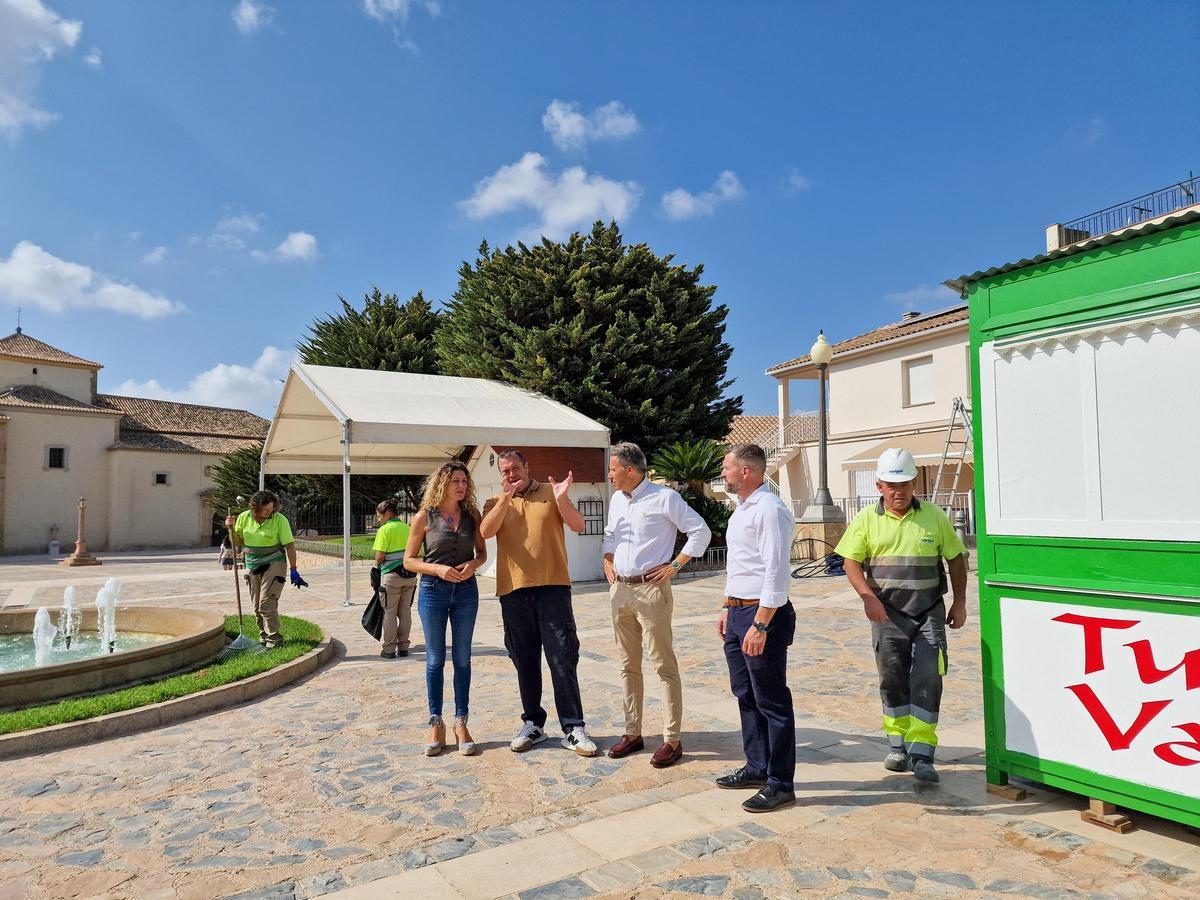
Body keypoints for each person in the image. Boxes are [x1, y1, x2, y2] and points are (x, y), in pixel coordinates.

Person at [834, 447, 967, 784]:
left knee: (927, 677)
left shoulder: (934, 516)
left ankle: (923, 753)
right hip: (886, 615)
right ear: (879, 486)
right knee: (891, 678)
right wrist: (867, 597)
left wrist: (960, 602)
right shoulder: (866, 519)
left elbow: (955, 558)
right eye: (892, 486)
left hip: (928, 613)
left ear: (913, 484)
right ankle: (898, 746)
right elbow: (850, 562)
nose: (899, 492)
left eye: (905, 484)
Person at [479, 449, 597, 757]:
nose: (510, 474)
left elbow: (579, 525)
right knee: (525, 660)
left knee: (562, 658)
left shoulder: (551, 491)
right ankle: (533, 723)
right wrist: (506, 498)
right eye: (504, 471)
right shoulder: (496, 501)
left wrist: (561, 499)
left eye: (515, 468)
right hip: (513, 590)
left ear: (526, 467)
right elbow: (486, 531)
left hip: (553, 588)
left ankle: (573, 728)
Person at [602, 441, 711, 767]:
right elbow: (610, 534)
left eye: (612, 469)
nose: (609, 475)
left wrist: (674, 566)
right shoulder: (617, 500)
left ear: (630, 470)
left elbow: (700, 532)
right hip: (619, 591)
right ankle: (633, 732)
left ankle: (671, 739)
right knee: (627, 666)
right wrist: (608, 557)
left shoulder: (665, 498)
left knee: (663, 666)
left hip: (651, 592)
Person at [714, 443, 798, 813]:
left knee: (771, 699)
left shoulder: (770, 510)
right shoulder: (742, 510)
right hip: (738, 613)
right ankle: (757, 766)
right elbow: (742, 566)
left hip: (762, 616)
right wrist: (727, 606)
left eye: (727, 468)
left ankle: (780, 783)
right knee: (745, 693)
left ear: (746, 471)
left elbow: (776, 572)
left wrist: (761, 624)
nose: (723, 474)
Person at [403, 463, 487, 757]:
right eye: (455, 481)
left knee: (463, 659)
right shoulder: (424, 517)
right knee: (435, 659)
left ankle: (461, 722)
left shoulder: (473, 516)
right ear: (442, 483)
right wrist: (437, 569)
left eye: (464, 480)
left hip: (466, 592)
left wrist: (473, 565)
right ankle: (435, 721)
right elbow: (409, 561)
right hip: (433, 591)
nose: (461, 485)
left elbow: (483, 553)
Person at [225, 490, 307, 648]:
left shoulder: (279, 519)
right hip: (253, 564)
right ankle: (263, 638)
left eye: (272, 509)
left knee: (266, 603)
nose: (270, 513)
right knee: (256, 606)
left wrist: (294, 569)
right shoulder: (244, 517)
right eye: (266, 510)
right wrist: (230, 528)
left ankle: (274, 640)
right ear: (255, 508)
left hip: (274, 562)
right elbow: (237, 541)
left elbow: (289, 545)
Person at [372, 499, 419, 660]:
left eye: (380, 516)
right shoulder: (408, 528)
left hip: (391, 576)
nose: (379, 519)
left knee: (389, 612)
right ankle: (404, 646)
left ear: (388, 513)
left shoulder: (385, 530)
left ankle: (389, 649)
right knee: (405, 612)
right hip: (410, 575)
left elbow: (379, 557)